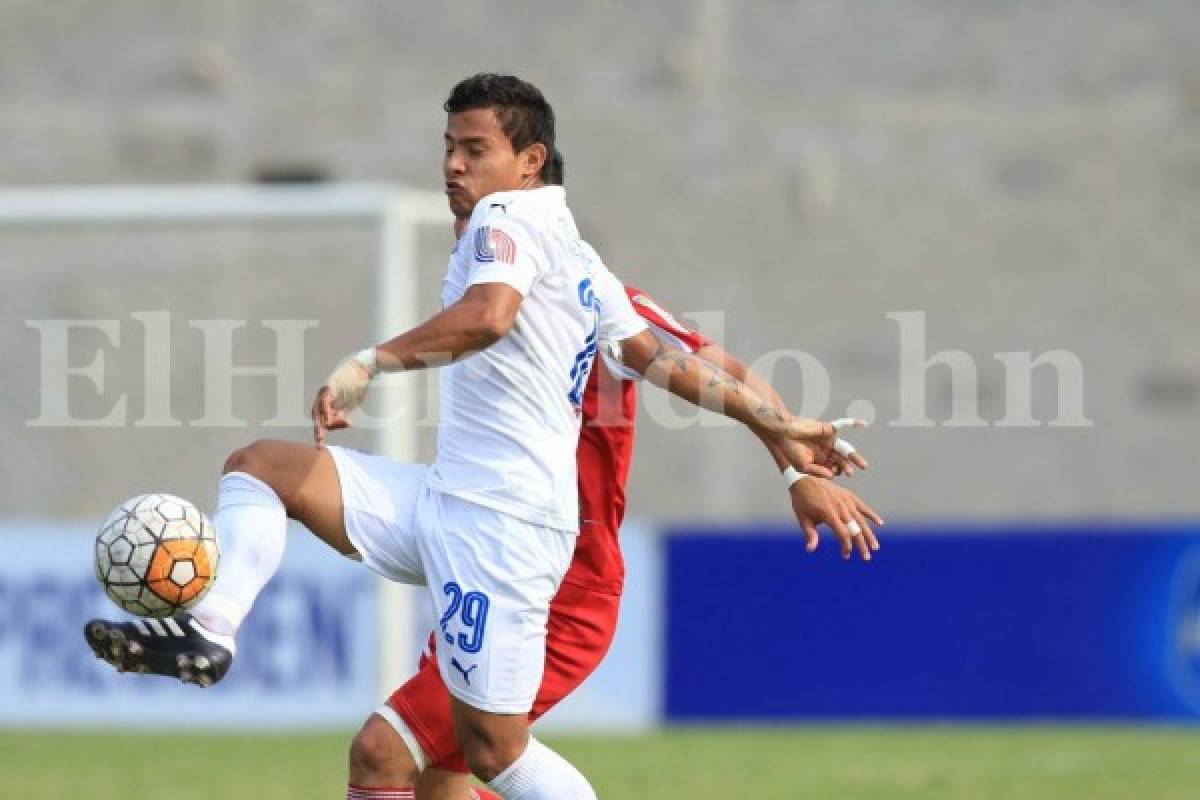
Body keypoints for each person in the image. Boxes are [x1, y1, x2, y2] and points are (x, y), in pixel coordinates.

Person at [85, 73, 860, 800]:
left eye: (473, 152)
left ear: (529, 167)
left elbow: (694, 360)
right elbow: (659, 362)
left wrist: (793, 463)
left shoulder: (528, 240)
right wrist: (786, 437)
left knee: (424, 754)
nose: (452, 170)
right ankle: (211, 630)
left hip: (544, 568)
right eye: (448, 152)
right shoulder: (541, 249)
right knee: (264, 470)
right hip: (455, 511)